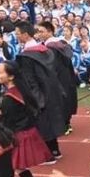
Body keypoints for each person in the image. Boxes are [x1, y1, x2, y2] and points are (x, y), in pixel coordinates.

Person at [0, 61, 52, 177]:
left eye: (0, 72)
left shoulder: (9, 99)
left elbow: (5, 125)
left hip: (18, 135)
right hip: (24, 131)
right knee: (17, 168)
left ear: (11, 76)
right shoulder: (20, 91)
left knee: (12, 168)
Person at [14, 21, 65, 162]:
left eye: (17, 33)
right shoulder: (45, 50)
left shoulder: (27, 56)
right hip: (51, 90)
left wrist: (35, 99)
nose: (16, 36)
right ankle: (55, 150)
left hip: (38, 93)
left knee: (42, 122)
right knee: (50, 120)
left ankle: (49, 155)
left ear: (25, 35)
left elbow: (29, 80)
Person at [36, 22, 78, 135]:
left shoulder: (50, 47)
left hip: (57, 78)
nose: (39, 34)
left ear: (50, 32)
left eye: (42, 31)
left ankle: (63, 125)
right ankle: (66, 123)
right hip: (65, 77)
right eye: (38, 31)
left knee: (59, 100)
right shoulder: (62, 44)